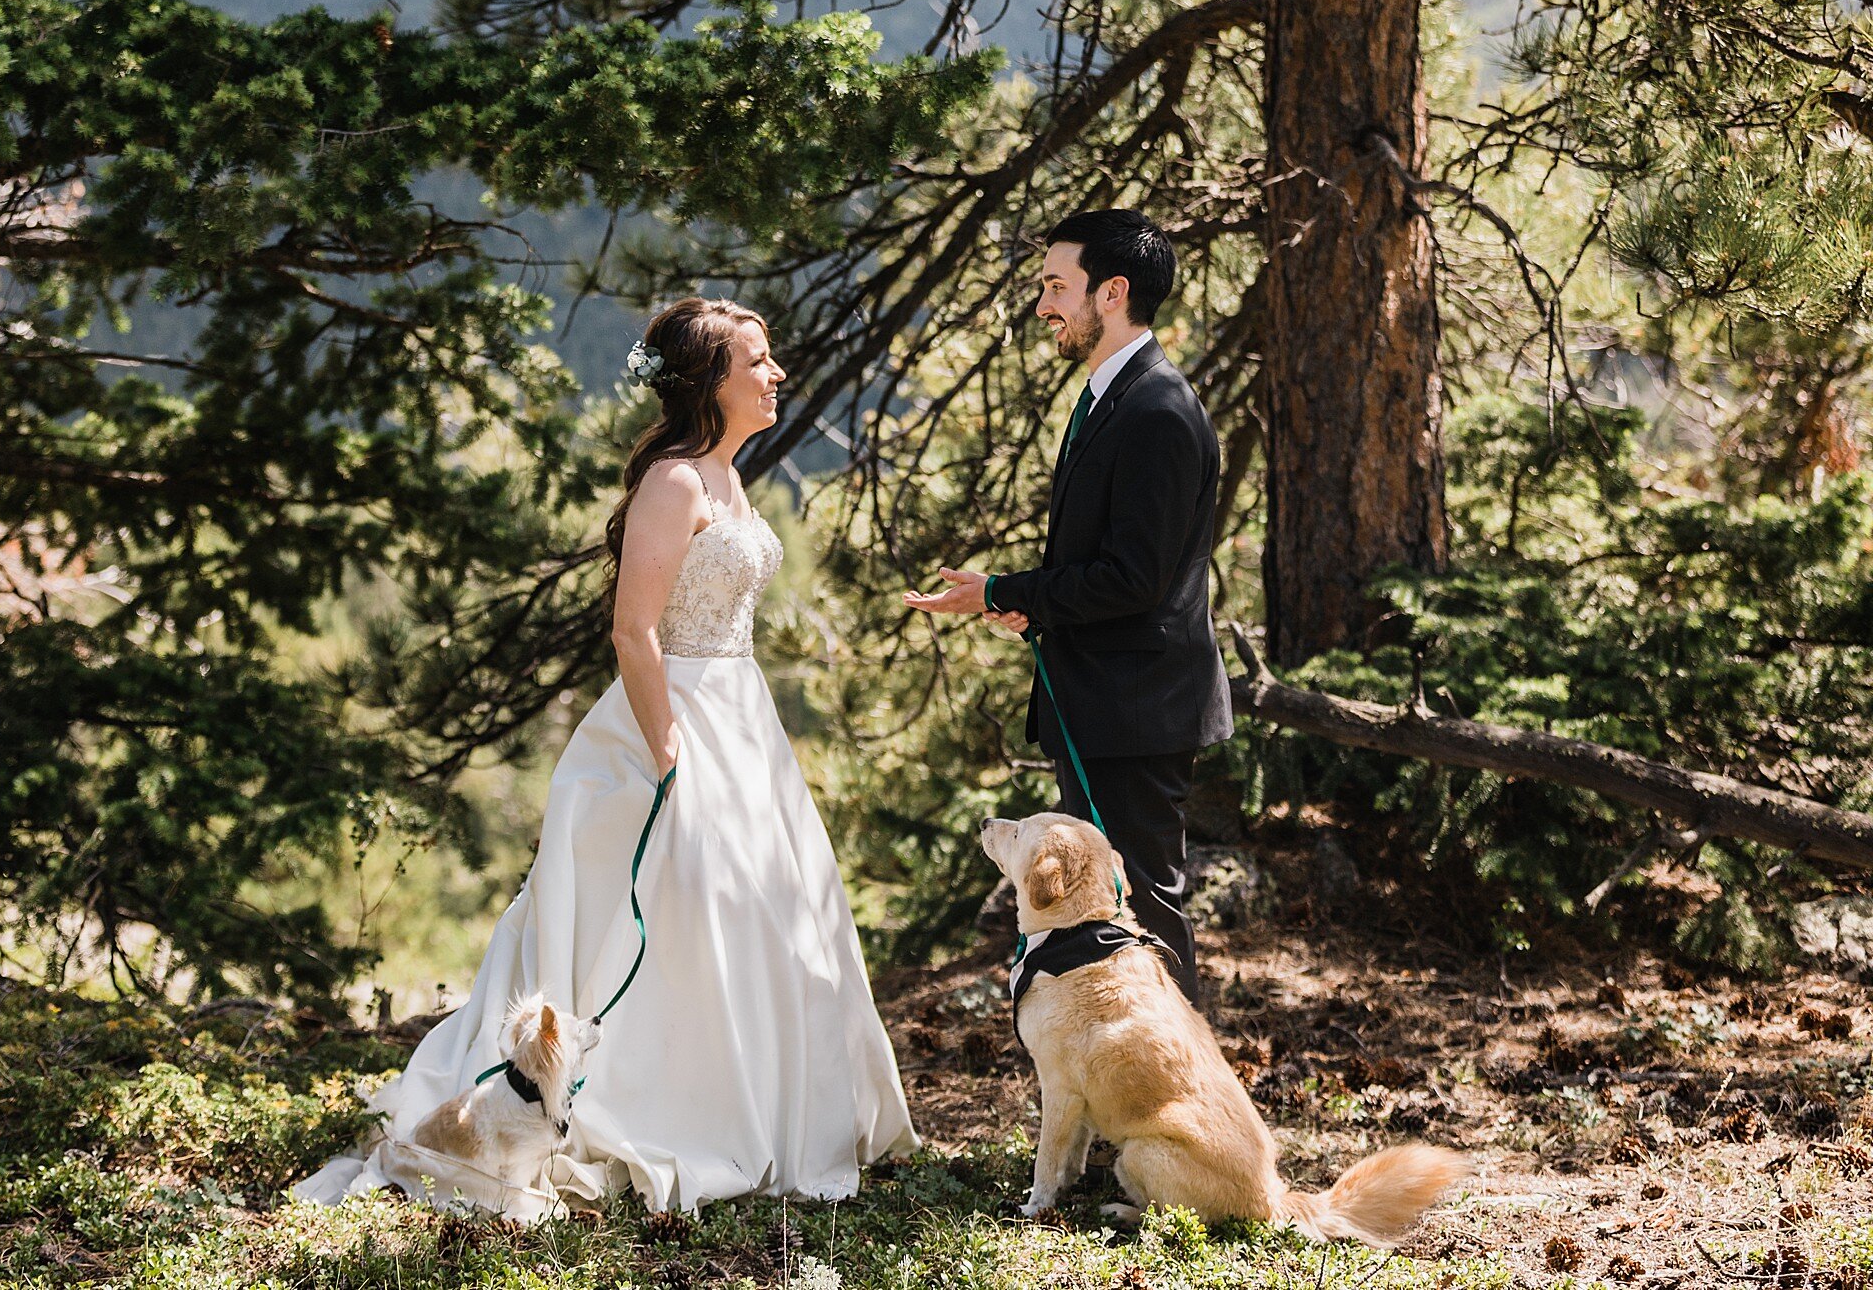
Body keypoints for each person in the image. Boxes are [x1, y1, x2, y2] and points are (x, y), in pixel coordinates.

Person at [297, 297, 918, 1217]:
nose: (776, 372)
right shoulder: (674, 483)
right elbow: (634, 630)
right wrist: (668, 750)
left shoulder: (727, 477)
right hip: (672, 720)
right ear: (711, 380)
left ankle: (781, 1111)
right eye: (757, 360)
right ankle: (659, 1104)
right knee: (683, 911)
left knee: (774, 914)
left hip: (743, 716)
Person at [904, 209, 1234, 1003]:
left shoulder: (1156, 410)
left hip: (1138, 711)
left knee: (1142, 910)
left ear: (1112, 292)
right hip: (1105, 703)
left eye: (1057, 286)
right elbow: (1106, 571)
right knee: (1105, 919)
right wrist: (1031, 606)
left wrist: (1005, 592)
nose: (1044, 304)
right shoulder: (1113, 398)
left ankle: (1182, 1107)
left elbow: (1133, 579)